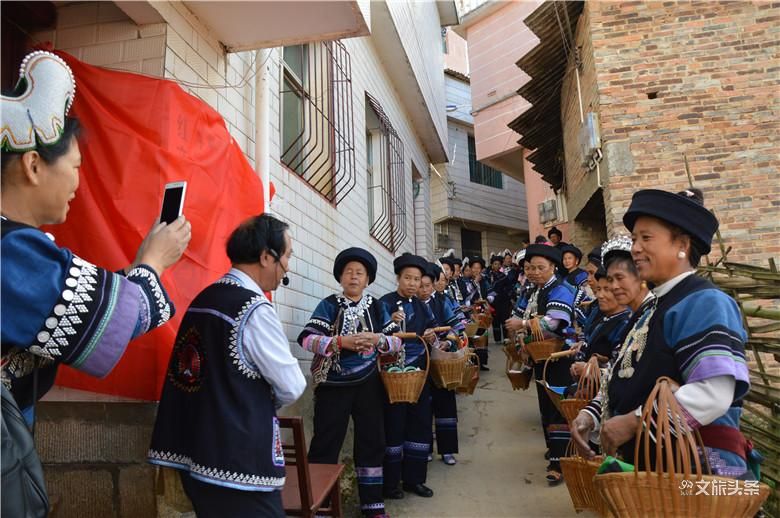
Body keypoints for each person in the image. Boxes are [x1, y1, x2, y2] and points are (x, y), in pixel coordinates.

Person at [1, 51, 191, 422]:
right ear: (34, 165)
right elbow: (106, 323)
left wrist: (142, 265)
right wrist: (152, 264)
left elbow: (85, 304)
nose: (77, 182)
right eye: (75, 167)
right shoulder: (12, 251)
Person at [572, 189, 753, 479]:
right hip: (654, 470)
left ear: (682, 244)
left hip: (694, 475)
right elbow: (628, 378)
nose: (635, 249)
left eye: (646, 238)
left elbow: (714, 392)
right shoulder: (652, 307)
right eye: (634, 240)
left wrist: (633, 423)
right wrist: (592, 415)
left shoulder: (704, 302)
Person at [148, 214, 306, 517]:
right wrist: (258, 399)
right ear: (265, 256)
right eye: (286, 256)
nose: (286, 265)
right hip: (238, 462)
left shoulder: (203, 299)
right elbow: (292, 385)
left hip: (195, 453)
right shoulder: (254, 309)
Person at [297, 247, 402, 517]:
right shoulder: (329, 305)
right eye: (348, 272)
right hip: (333, 384)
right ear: (340, 277)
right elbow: (306, 339)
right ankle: (320, 504)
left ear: (368, 279)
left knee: (371, 440)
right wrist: (340, 342)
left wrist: (378, 340)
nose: (354, 277)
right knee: (326, 441)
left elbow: (396, 342)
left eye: (360, 273)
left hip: (369, 382)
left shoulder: (378, 306)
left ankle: (372, 503)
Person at [505, 244, 575, 485]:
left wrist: (522, 326)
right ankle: (554, 450)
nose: (534, 271)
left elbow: (554, 323)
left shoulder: (561, 289)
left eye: (540, 267)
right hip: (540, 357)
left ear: (553, 267)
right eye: (530, 267)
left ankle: (560, 462)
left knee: (557, 408)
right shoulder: (534, 290)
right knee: (546, 407)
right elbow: (520, 315)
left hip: (558, 358)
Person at [380, 253, 437, 499]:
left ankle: (414, 479)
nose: (413, 283)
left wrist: (432, 337)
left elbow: (430, 332)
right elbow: (376, 335)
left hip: (419, 375)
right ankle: (391, 483)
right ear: (398, 278)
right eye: (408, 278)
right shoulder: (384, 303)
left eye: (416, 279)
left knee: (420, 424)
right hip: (393, 377)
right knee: (394, 426)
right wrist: (389, 323)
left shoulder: (422, 306)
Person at [420, 263, 465, 466]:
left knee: (445, 404)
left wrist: (447, 341)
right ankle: (426, 448)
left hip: (442, 360)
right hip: (420, 363)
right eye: (420, 285)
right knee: (423, 407)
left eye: (428, 285)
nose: (423, 289)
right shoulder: (410, 304)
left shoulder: (442, 301)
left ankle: (447, 450)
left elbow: (457, 326)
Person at [569, 268, 631, 379]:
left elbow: (621, 368)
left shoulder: (625, 324)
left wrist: (587, 370)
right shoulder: (605, 318)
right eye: (599, 289)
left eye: (607, 289)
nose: (600, 295)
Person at [560, 244, 591, 326]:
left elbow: (588, 297)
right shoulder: (565, 278)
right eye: (564, 259)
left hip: (580, 315)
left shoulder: (582, 275)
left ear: (576, 260)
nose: (567, 261)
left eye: (569, 258)